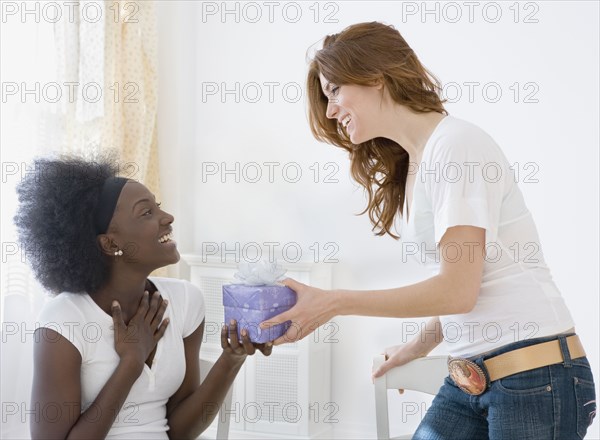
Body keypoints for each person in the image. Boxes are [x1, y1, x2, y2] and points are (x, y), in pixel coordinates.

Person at [260, 21, 596, 439]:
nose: (329, 110)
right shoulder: (421, 162)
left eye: (333, 91)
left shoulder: (456, 146)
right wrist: (418, 346)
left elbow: (458, 290)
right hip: (475, 377)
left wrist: (332, 302)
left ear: (374, 78)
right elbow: (467, 282)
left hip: (534, 376)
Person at [15, 155, 272, 439]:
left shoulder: (186, 301)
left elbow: (180, 431)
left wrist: (231, 359)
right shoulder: (63, 321)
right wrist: (131, 362)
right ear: (111, 243)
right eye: (146, 212)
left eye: (157, 207)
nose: (168, 217)